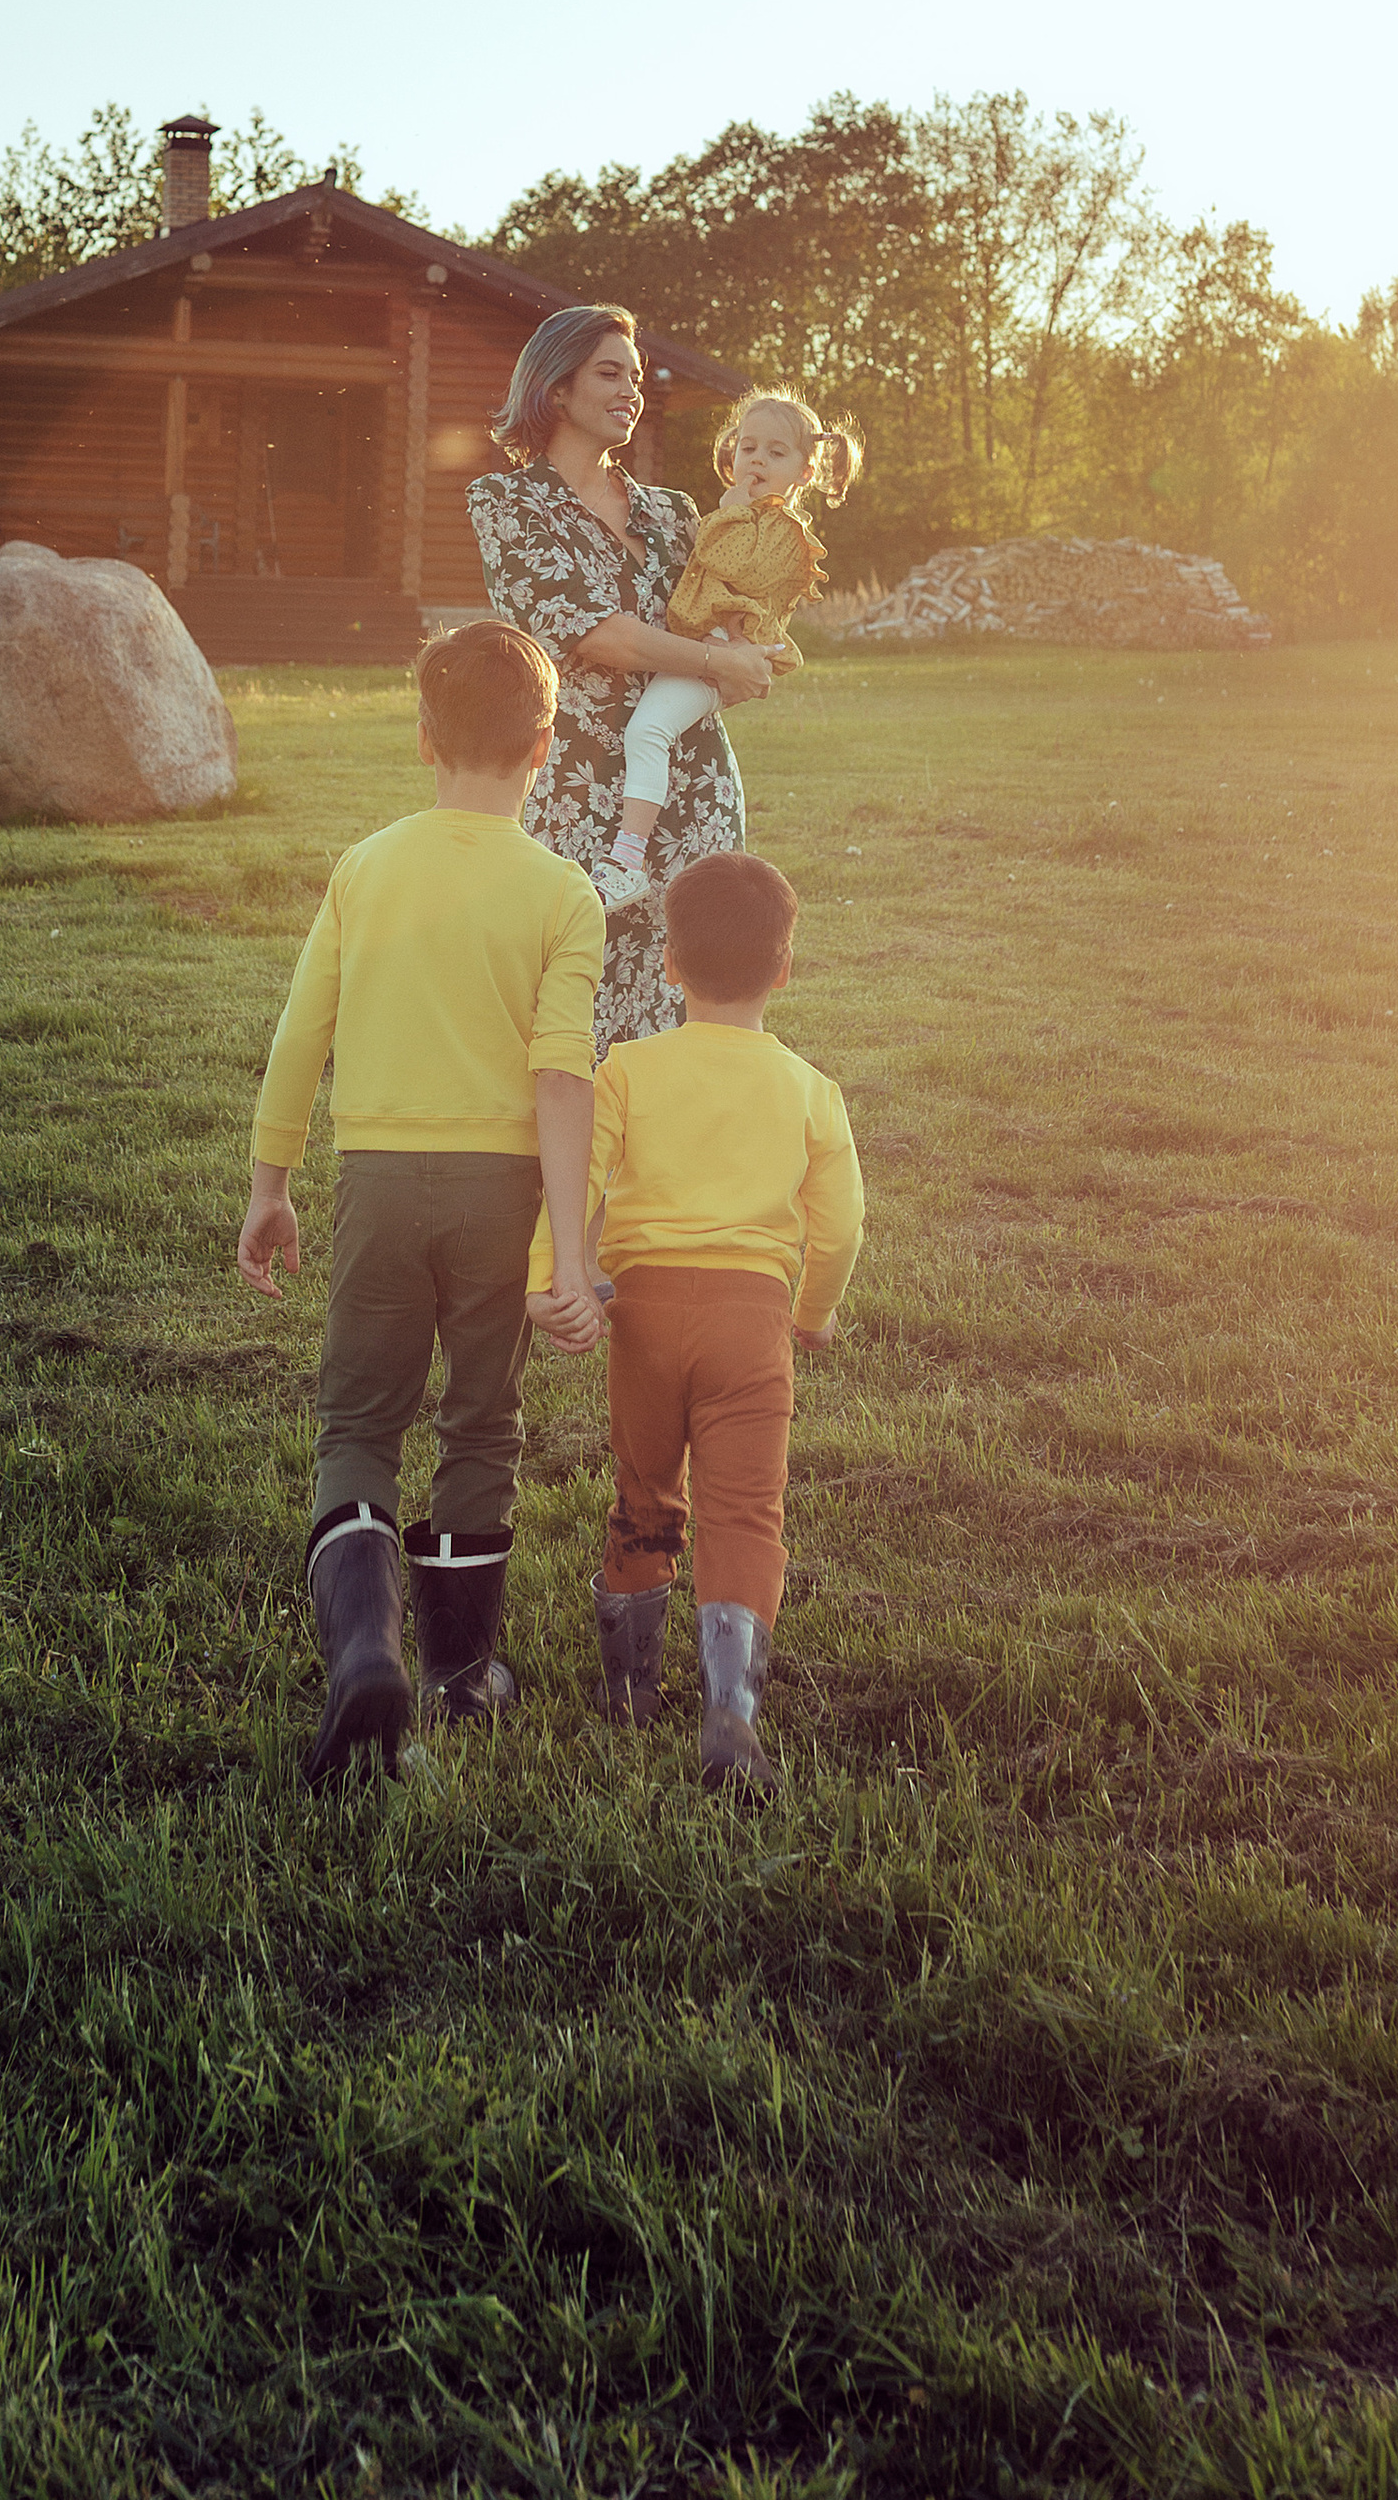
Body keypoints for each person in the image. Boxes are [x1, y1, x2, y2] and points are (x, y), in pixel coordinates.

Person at [234, 619, 608, 1787]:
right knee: (480, 1423)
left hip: (380, 1184)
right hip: (501, 1194)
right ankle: (459, 1674)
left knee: (358, 1425)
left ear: (421, 742)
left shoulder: (367, 865)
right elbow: (561, 1078)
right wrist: (568, 1252)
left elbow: (303, 1035)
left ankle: (361, 1653)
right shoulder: (563, 893)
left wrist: (271, 1184)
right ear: (544, 748)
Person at [524, 850, 863, 1796]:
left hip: (644, 1318)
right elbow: (841, 1226)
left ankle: (628, 1692)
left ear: (668, 963)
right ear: (784, 970)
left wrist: (558, 1279)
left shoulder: (626, 1071)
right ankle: (730, 1709)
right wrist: (816, 1313)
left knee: (644, 1494)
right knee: (744, 1511)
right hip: (753, 1321)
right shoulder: (810, 1091)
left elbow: (578, 1179)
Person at [468, 304, 773, 1055]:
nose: (630, 389)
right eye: (609, 372)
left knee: (698, 1010)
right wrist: (712, 661)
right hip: (580, 786)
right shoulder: (506, 503)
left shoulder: (674, 513)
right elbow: (592, 633)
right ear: (556, 387)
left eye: (636, 377)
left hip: (694, 784)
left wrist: (748, 650)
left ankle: (682, 1169)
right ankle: (575, 1172)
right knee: (580, 1007)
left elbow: (726, 613)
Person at [593, 391, 863, 911]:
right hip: (708, 646)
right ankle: (631, 855)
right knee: (652, 730)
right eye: (748, 446)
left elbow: (726, 561)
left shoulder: (780, 530)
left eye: (776, 453)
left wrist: (728, 513)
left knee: (648, 730)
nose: (756, 459)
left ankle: (625, 862)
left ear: (805, 473)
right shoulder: (749, 518)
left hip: (720, 655)